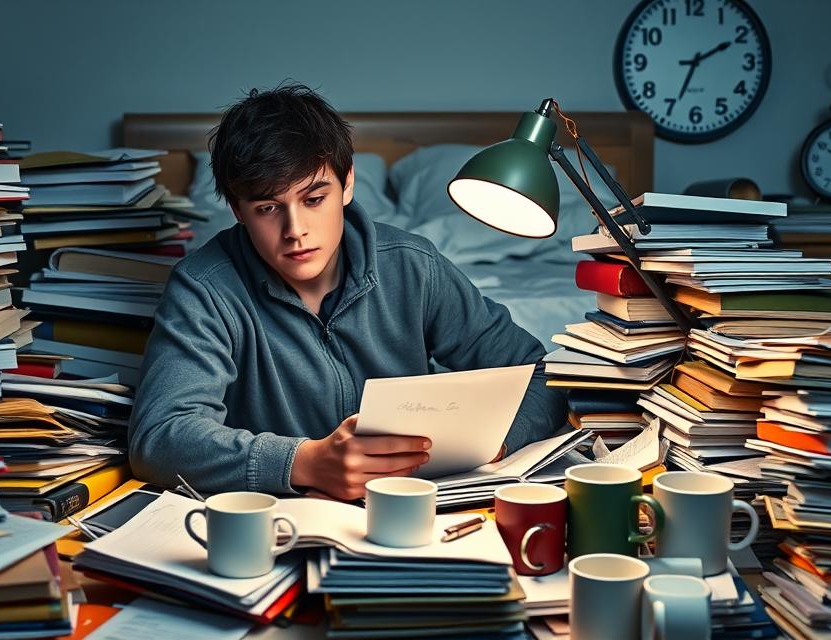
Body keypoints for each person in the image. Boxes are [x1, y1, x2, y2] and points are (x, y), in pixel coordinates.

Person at [128, 83, 567, 501]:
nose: (295, 231)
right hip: (286, 519)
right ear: (237, 210)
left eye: (314, 199)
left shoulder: (414, 266)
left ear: (348, 183)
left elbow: (540, 373)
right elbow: (161, 436)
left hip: (418, 505)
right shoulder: (202, 288)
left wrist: (496, 443)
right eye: (267, 208)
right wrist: (303, 462)